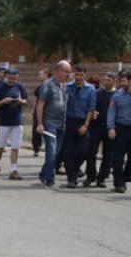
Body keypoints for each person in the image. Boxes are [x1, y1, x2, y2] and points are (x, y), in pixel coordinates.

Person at [35, 60, 70, 189]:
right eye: (66, 71)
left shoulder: (65, 85)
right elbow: (40, 105)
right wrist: (39, 123)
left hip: (62, 123)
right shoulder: (48, 85)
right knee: (51, 151)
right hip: (49, 123)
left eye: (69, 72)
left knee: (56, 152)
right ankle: (50, 180)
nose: (68, 74)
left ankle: (43, 174)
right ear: (59, 71)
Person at [63, 64, 96, 188]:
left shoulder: (91, 88)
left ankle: (75, 170)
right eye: (76, 74)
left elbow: (91, 108)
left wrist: (86, 125)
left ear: (85, 75)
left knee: (83, 151)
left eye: (81, 74)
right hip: (70, 121)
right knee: (69, 152)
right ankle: (71, 178)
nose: (78, 77)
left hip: (83, 121)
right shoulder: (67, 87)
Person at [0, 67, 27, 180]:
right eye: (10, 78)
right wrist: (3, 101)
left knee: (15, 146)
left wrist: (20, 101)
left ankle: (13, 169)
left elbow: (26, 101)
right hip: (4, 121)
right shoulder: (0, 88)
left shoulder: (20, 87)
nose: (12, 80)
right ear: (6, 77)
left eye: (14, 78)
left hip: (17, 120)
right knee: (1, 145)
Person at [85, 72, 116, 187]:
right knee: (91, 152)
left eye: (108, 80)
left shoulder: (117, 95)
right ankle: (90, 176)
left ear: (114, 81)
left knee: (108, 154)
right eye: (104, 79)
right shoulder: (97, 93)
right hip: (96, 126)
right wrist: (94, 112)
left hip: (110, 127)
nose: (105, 82)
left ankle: (102, 177)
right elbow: (90, 106)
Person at [31, 67, 49, 156]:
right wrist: (33, 110)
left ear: (46, 75)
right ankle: (36, 148)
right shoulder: (39, 87)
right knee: (36, 130)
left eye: (40, 74)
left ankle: (49, 149)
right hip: (38, 111)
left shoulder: (50, 86)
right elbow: (35, 99)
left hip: (47, 112)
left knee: (48, 130)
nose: (39, 76)